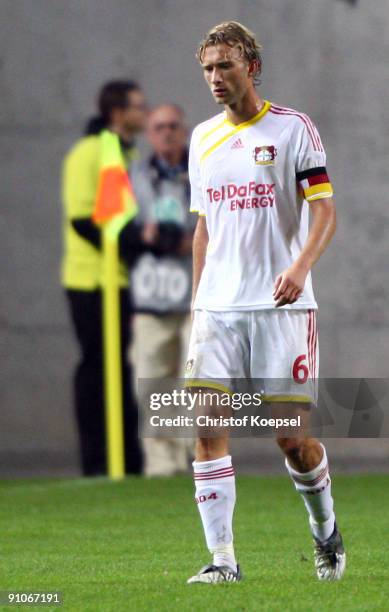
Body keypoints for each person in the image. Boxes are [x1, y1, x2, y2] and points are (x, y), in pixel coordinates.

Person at [185, 22, 345, 583]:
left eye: (224, 66)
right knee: (206, 426)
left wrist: (300, 269)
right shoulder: (202, 138)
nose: (214, 78)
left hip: (281, 308)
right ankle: (221, 561)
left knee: (292, 439)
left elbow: (324, 210)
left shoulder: (293, 128)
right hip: (219, 308)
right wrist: (198, 301)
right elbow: (204, 227)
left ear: (251, 66)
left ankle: (326, 534)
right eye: (207, 68)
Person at [62, 80, 152, 476]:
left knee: (122, 369)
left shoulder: (125, 152)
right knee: (98, 367)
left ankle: (127, 460)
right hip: (91, 283)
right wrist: (135, 243)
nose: (144, 113)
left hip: (120, 280)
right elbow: (84, 220)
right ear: (117, 112)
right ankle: (97, 461)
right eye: (138, 107)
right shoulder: (90, 152)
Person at [130, 104, 195, 476]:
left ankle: (194, 453)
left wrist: (197, 239)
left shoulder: (202, 170)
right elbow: (112, 229)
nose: (167, 133)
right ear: (149, 134)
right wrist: (144, 235)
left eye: (173, 125)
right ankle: (161, 468)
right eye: (159, 127)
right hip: (151, 295)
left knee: (194, 379)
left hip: (193, 296)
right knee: (152, 384)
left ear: (183, 130)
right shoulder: (133, 176)